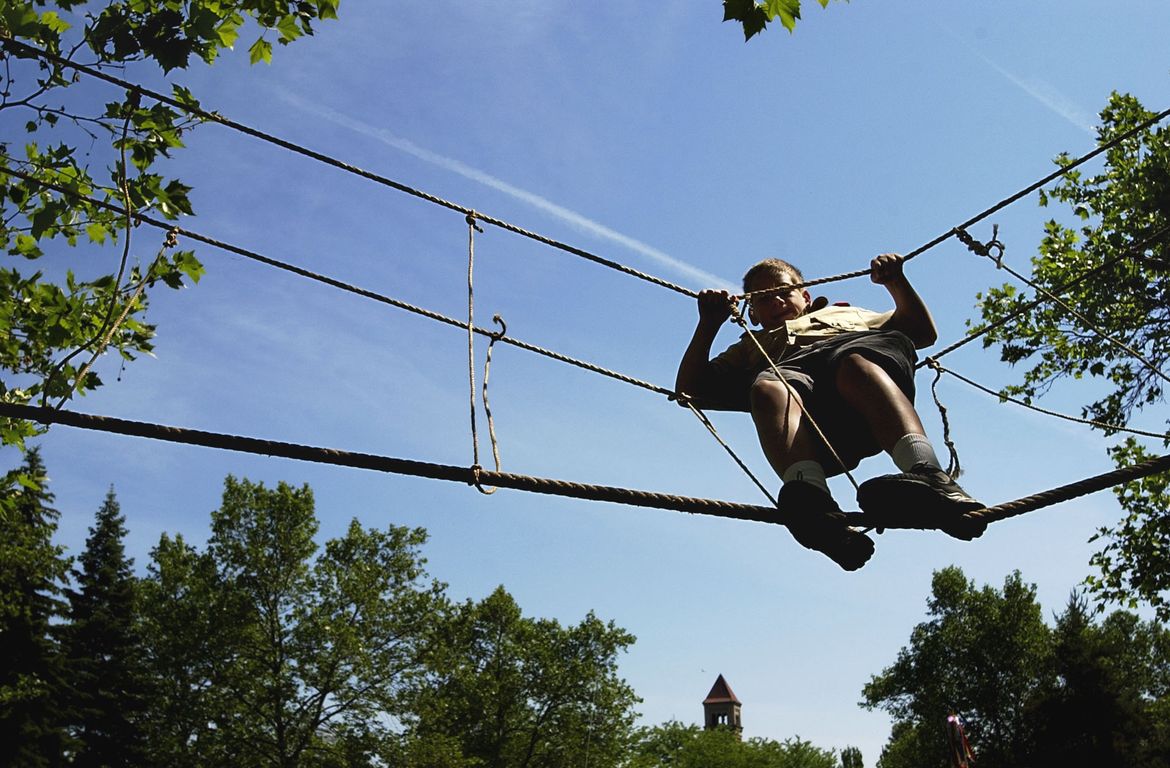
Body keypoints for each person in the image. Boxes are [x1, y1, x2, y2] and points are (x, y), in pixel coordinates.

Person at [675, 253, 984, 570]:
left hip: (863, 385)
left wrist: (895, 281)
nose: (777, 301)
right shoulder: (752, 346)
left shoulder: (848, 315)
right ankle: (814, 505)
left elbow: (922, 332)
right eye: (763, 299)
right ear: (750, 313)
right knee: (767, 387)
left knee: (853, 364)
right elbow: (689, 391)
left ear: (805, 296)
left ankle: (928, 474)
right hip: (816, 422)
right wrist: (708, 324)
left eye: (784, 291)